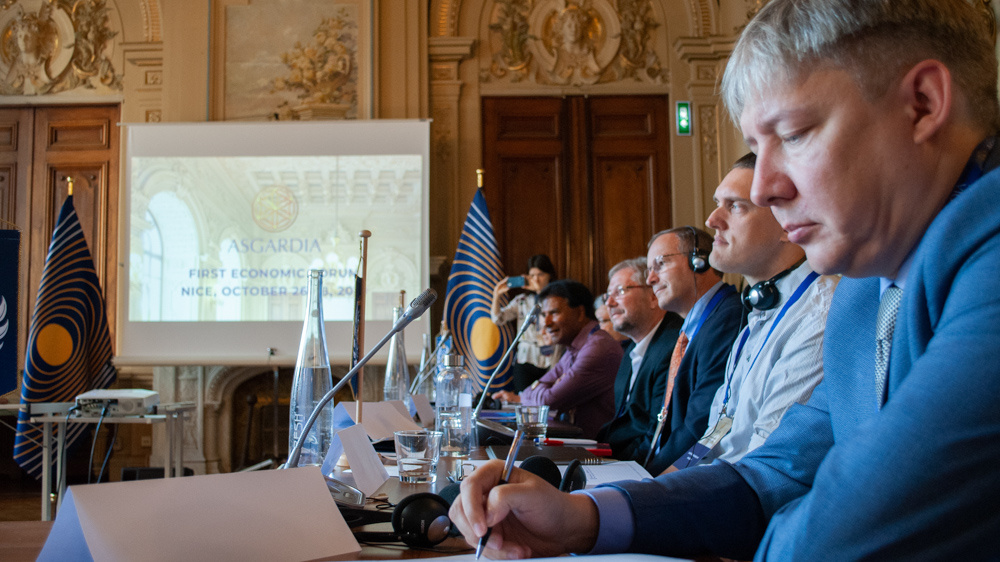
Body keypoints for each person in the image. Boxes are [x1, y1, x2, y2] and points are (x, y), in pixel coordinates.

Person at [450, 0, 1000, 558]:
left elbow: (864, 525)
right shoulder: (865, 292)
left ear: (922, 104)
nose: (762, 188)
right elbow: (774, 476)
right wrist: (581, 518)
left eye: (794, 133)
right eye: (757, 148)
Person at [650, 153, 838, 473]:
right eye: (717, 202)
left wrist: (645, 505)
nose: (711, 220)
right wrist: (648, 490)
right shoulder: (756, 313)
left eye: (735, 206)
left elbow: (763, 469)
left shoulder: (818, 317)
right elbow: (713, 438)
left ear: (787, 221)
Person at [638, 227, 745, 469]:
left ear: (699, 261)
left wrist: (647, 480)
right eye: (648, 270)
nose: (650, 279)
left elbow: (700, 426)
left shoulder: (728, 318)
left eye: (660, 264)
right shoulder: (690, 330)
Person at [492, 280, 623, 439]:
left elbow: (548, 402)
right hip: (574, 441)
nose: (546, 323)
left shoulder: (596, 348)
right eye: (543, 315)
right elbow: (539, 388)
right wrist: (546, 387)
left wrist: (545, 389)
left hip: (597, 452)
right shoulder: (574, 345)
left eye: (553, 313)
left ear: (580, 313)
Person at [595, 258, 682, 460]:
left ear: (653, 295)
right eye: (608, 295)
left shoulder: (673, 346)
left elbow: (656, 436)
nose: (609, 302)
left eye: (620, 291)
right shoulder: (632, 348)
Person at [491, 254, 563, 392]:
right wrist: (497, 295)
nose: (536, 279)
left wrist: (540, 292)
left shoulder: (556, 299)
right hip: (526, 357)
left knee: (548, 397)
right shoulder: (522, 300)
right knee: (524, 398)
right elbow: (498, 319)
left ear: (549, 275)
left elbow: (547, 317)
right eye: (532, 275)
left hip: (549, 357)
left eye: (540, 274)